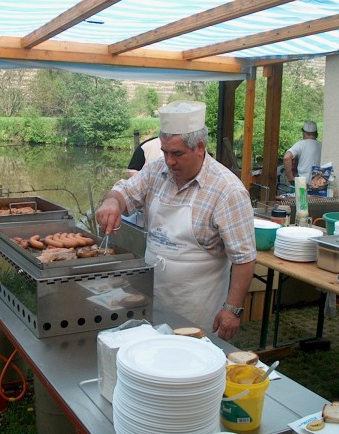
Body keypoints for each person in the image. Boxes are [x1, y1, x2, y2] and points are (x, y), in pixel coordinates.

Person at [96, 101, 256, 340]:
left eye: (177, 153)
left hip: (198, 307)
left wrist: (232, 309)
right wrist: (112, 201)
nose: (169, 161)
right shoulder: (156, 171)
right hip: (152, 296)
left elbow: (244, 259)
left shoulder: (227, 191)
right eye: (165, 152)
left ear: (200, 147)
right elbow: (124, 192)